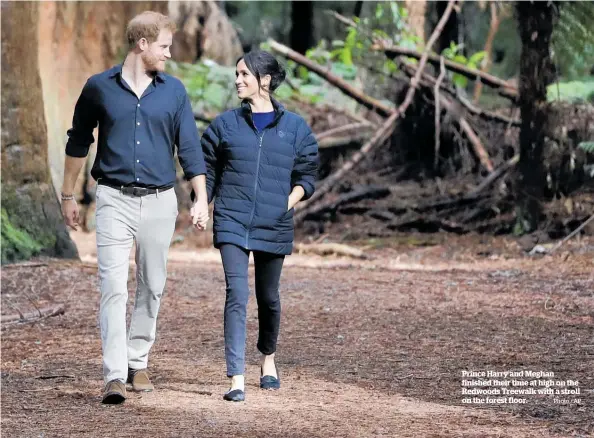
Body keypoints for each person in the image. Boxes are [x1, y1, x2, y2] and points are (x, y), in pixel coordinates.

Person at [60, 11, 209, 404]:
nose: (169, 54)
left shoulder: (173, 91)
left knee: (152, 285)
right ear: (141, 45)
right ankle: (113, 375)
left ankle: (136, 361)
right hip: (113, 198)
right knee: (112, 286)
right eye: (164, 46)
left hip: (160, 201)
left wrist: (201, 197)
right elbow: (78, 142)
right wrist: (67, 195)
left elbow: (190, 148)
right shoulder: (98, 88)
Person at [200, 50, 319, 402]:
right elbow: (207, 170)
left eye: (244, 75)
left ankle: (268, 358)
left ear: (265, 80)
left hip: (275, 222)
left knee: (268, 298)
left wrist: (286, 202)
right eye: (236, 74)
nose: (237, 80)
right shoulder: (224, 125)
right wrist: (201, 203)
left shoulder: (295, 128)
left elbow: (307, 175)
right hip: (232, 219)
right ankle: (236, 377)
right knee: (236, 295)